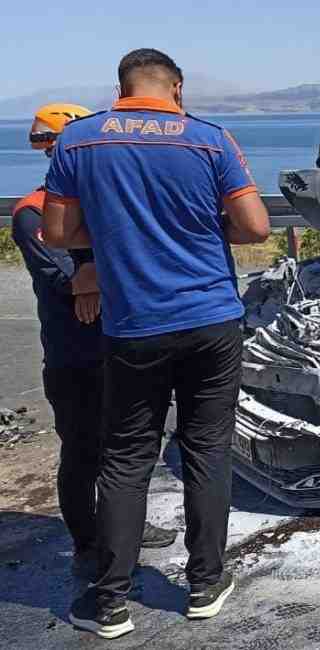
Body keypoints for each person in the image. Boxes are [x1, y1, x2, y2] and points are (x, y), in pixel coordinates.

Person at [42, 48, 270, 639]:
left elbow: (57, 231)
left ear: (120, 87)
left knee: (125, 459)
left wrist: (121, 232)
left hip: (133, 325)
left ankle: (111, 601)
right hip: (211, 318)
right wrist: (194, 225)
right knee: (207, 450)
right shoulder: (210, 139)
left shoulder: (80, 141)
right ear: (177, 87)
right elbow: (254, 227)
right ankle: (203, 584)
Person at [12, 103, 178, 583]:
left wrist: (98, 275)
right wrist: (101, 274)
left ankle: (123, 526)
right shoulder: (33, 212)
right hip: (75, 353)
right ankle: (88, 544)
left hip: (124, 343)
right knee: (83, 451)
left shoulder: (105, 206)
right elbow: (67, 278)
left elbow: (140, 262)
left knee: (126, 449)